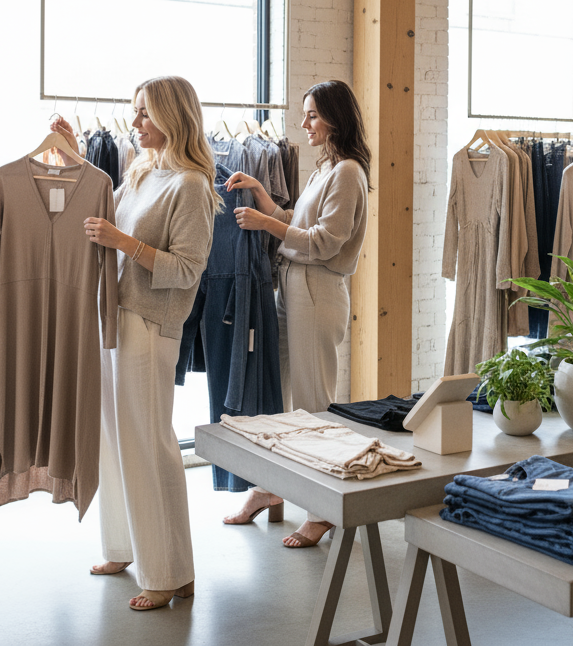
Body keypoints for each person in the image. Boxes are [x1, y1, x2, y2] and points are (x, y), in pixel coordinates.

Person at [53, 76, 220, 611]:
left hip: (149, 326)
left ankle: (170, 572)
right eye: (135, 112)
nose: (135, 122)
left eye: (145, 113)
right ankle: (125, 548)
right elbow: (102, 210)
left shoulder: (190, 186)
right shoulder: (142, 171)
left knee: (149, 443)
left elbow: (188, 269)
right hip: (115, 319)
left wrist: (125, 243)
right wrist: (74, 156)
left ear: (172, 116)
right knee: (115, 439)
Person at [220, 80, 371, 548]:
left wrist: (265, 223)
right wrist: (261, 194)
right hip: (293, 285)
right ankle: (272, 488)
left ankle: (323, 510)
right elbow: (296, 223)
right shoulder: (324, 167)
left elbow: (324, 242)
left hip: (317, 289)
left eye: (312, 115)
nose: (303, 123)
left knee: (313, 402)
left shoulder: (348, 172)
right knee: (277, 392)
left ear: (335, 118)